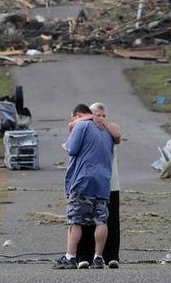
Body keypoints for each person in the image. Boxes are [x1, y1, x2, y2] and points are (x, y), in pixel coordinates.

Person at [54, 104, 114, 270]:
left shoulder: (81, 125)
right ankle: (98, 258)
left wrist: (68, 141)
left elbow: (72, 149)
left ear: (78, 115)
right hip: (103, 180)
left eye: (73, 118)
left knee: (76, 220)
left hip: (83, 180)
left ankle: (70, 257)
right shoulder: (106, 129)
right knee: (101, 220)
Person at [72, 103, 122, 269]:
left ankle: (111, 256)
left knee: (110, 221)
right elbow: (72, 127)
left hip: (110, 183)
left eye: (103, 115)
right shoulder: (86, 129)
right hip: (89, 183)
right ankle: (83, 256)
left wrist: (102, 122)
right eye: (96, 114)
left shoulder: (110, 129)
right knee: (85, 220)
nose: (99, 118)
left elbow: (118, 135)